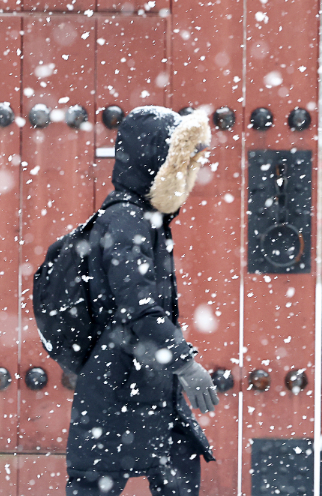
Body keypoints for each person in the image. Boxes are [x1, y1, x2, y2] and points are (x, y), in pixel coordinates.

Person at [66, 106, 219, 496]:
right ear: (154, 161)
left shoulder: (144, 218)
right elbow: (140, 307)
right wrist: (186, 365)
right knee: (96, 481)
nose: (186, 174)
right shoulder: (126, 220)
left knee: (179, 465)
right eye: (177, 162)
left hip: (144, 374)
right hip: (119, 378)